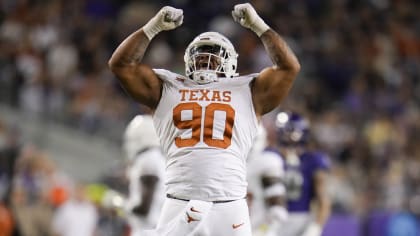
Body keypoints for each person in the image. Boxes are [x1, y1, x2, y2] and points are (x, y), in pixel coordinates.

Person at [108, 2, 300, 235]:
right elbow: (121, 65)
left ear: (230, 62)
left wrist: (258, 26)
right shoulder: (169, 86)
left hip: (229, 201)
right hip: (179, 198)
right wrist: (152, 27)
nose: (205, 59)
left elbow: (288, 67)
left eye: (215, 54)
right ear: (188, 60)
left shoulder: (248, 89)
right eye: (200, 54)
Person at [269, 110, 331, 236]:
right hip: (272, 218)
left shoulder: (313, 159)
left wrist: (316, 227)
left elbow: (323, 199)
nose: (290, 138)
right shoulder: (271, 157)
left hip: (302, 220)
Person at [123, 115, 166, 235]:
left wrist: (122, 205)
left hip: (147, 229)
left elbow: (144, 207)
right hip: (152, 227)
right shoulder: (156, 157)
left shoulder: (149, 158)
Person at [246, 124, 288, 236]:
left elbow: (278, 210)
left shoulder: (266, 161)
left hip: (258, 230)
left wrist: (262, 231)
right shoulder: (232, 162)